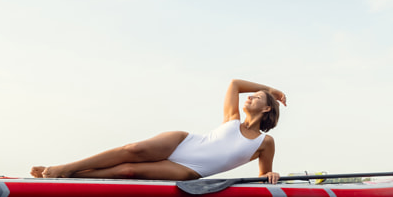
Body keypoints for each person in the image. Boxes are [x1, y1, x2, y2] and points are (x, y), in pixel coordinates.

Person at [30, 79, 286, 182]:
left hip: (189, 170)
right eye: (251, 95)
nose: (249, 97)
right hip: (183, 142)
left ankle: (71, 178)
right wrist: (271, 90)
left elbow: (263, 176)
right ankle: (66, 167)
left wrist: (271, 174)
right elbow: (234, 84)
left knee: (129, 170)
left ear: (266, 110)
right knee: (133, 150)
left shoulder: (265, 142)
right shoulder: (232, 119)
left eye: (257, 97)